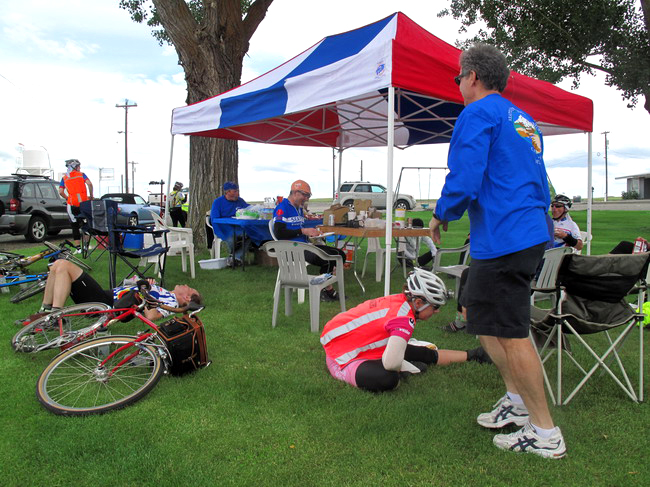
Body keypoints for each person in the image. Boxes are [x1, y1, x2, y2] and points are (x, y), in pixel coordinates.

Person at [429, 44, 566, 458]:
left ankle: (545, 433)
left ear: (472, 76)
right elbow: (538, 180)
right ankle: (517, 400)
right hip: (519, 232)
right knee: (483, 319)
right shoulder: (522, 119)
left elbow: (465, 175)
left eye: (458, 78)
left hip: (508, 235)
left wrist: (441, 213)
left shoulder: (477, 113)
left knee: (512, 332)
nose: (458, 85)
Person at [320, 268, 491, 392]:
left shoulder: (397, 300)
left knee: (418, 352)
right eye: (435, 307)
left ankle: (474, 354)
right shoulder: (404, 319)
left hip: (341, 343)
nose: (437, 311)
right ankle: (473, 355)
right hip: (342, 360)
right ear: (418, 303)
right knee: (388, 379)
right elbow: (391, 363)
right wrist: (403, 365)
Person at [38, 259, 201, 321]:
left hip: (105, 303)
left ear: (187, 297)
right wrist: (147, 285)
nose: (186, 285)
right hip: (104, 297)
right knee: (57, 265)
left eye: (189, 288)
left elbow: (151, 316)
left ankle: (54, 315)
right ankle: (46, 311)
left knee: (64, 265)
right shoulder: (166, 293)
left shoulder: (171, 302)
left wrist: (147, 292)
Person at [273, 180, 346, 302]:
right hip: (292, 249)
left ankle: (325, 288)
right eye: (305, 195)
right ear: (295, 192)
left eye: (308, 196)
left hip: (304, 246)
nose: (307, 199)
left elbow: (299, 230)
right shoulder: (282, 208)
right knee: (328, 258)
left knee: (340, 254)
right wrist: (303, 231)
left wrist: (313, 233)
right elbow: (279, 233)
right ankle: (325, 290)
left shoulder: (299, 208)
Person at [211, 181, 249, 265]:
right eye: (234, 191)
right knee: (232, 239)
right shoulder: (218, 202)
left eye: (237, 191)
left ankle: (235, 258)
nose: (237, 194)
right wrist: (220, 232)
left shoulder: (240, 201)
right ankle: (236, 258)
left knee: (249, 235)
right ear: (227, 192)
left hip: (239, 227)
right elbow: (214, 219)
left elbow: (249, 209)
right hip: (225, 228)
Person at [59, 159, 93, 249]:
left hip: (72, 204)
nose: (80, 168)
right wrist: (91, 195)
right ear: (75, 167)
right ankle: (86, 246)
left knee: (74, 226)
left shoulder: (64, 178)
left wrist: (67, 197)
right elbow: (89, 184)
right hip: (83, 203)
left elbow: (61, 191)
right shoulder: (81, 175)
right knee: (86, 223)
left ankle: (78, 248)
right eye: (78, 166)